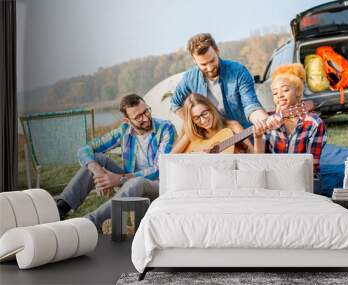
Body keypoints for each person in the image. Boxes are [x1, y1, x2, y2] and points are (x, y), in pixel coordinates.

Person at [56, 94, 176, 230]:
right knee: (97, 160)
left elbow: (159, 169)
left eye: (146, 111)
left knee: (137, 182)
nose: (146, 118)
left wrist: (120, 179)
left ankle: (89, 223)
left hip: (157, 186)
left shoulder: (166, 129)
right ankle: (60, 209)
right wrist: (97, 171)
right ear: (127, 120)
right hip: (128, 183)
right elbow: (85, 149)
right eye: (138, 117)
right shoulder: (124, 130)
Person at [170, 33, 269, 130]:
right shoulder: (189, 79)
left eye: (212, 61)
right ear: (194, 60)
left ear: (217, 51)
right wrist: (197, 124)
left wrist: (266, 121)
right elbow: (175, 104)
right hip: (215, 139)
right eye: (203, 64)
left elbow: (251, 106)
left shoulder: (238, 71)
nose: (210, 68)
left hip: (243, 132)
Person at [253, 63, 327, 174]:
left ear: (297, 91)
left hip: (301, 177)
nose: (279, 95)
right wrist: (257, 138)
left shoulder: (314, 124)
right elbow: (259, 162)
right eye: (275, 93)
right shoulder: (269, 121)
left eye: (285, 90)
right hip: (273, 175)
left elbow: (312, 167)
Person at [172, 93, 253, 154]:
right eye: (196, 118)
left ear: (211, 108)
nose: (203, 120)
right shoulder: (193, 133)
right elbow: (171, 157)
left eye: (204, 113)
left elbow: (254, 154)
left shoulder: (234, 127)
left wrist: (258, 137)